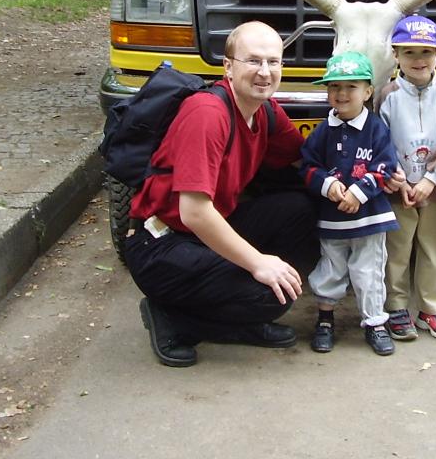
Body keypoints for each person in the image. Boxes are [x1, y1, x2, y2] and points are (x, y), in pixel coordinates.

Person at [123, 20, 316, 367]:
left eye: (273, 62)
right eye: (253, 61)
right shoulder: (207, 113)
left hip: (205, 231)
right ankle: (172, 318)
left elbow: (306, 158)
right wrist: (259, 263)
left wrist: (369, 174)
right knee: (271, 294)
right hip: (162, 245)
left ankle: (237, 316)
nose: (265, 72)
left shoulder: (265, 111)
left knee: (299, 209)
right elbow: (194, 212)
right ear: (228, 66)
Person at [301, 51, 400, 356]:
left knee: (368, 271)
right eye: (334, 87)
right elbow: (308, 166)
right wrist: (328, 185)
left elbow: (386, 166)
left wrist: (359, 192)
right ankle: (325, 319)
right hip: (332, 218)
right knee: (330, 268)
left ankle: (375, 322)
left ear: (368, 92)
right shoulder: (323, 130)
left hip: (369, 218)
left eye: (351, 87)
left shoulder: (376, 128)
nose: (341, 94)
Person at [378, 15, 436, 341]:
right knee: (396, 249)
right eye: (410, 52)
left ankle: (432, 308)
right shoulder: (388, 95)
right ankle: (396, 306)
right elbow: (381, 141)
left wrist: (431, 178)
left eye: (426, 52)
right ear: (396, 55)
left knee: (435, 247)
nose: (419, 60)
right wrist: (398, 178)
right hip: (399, 188)